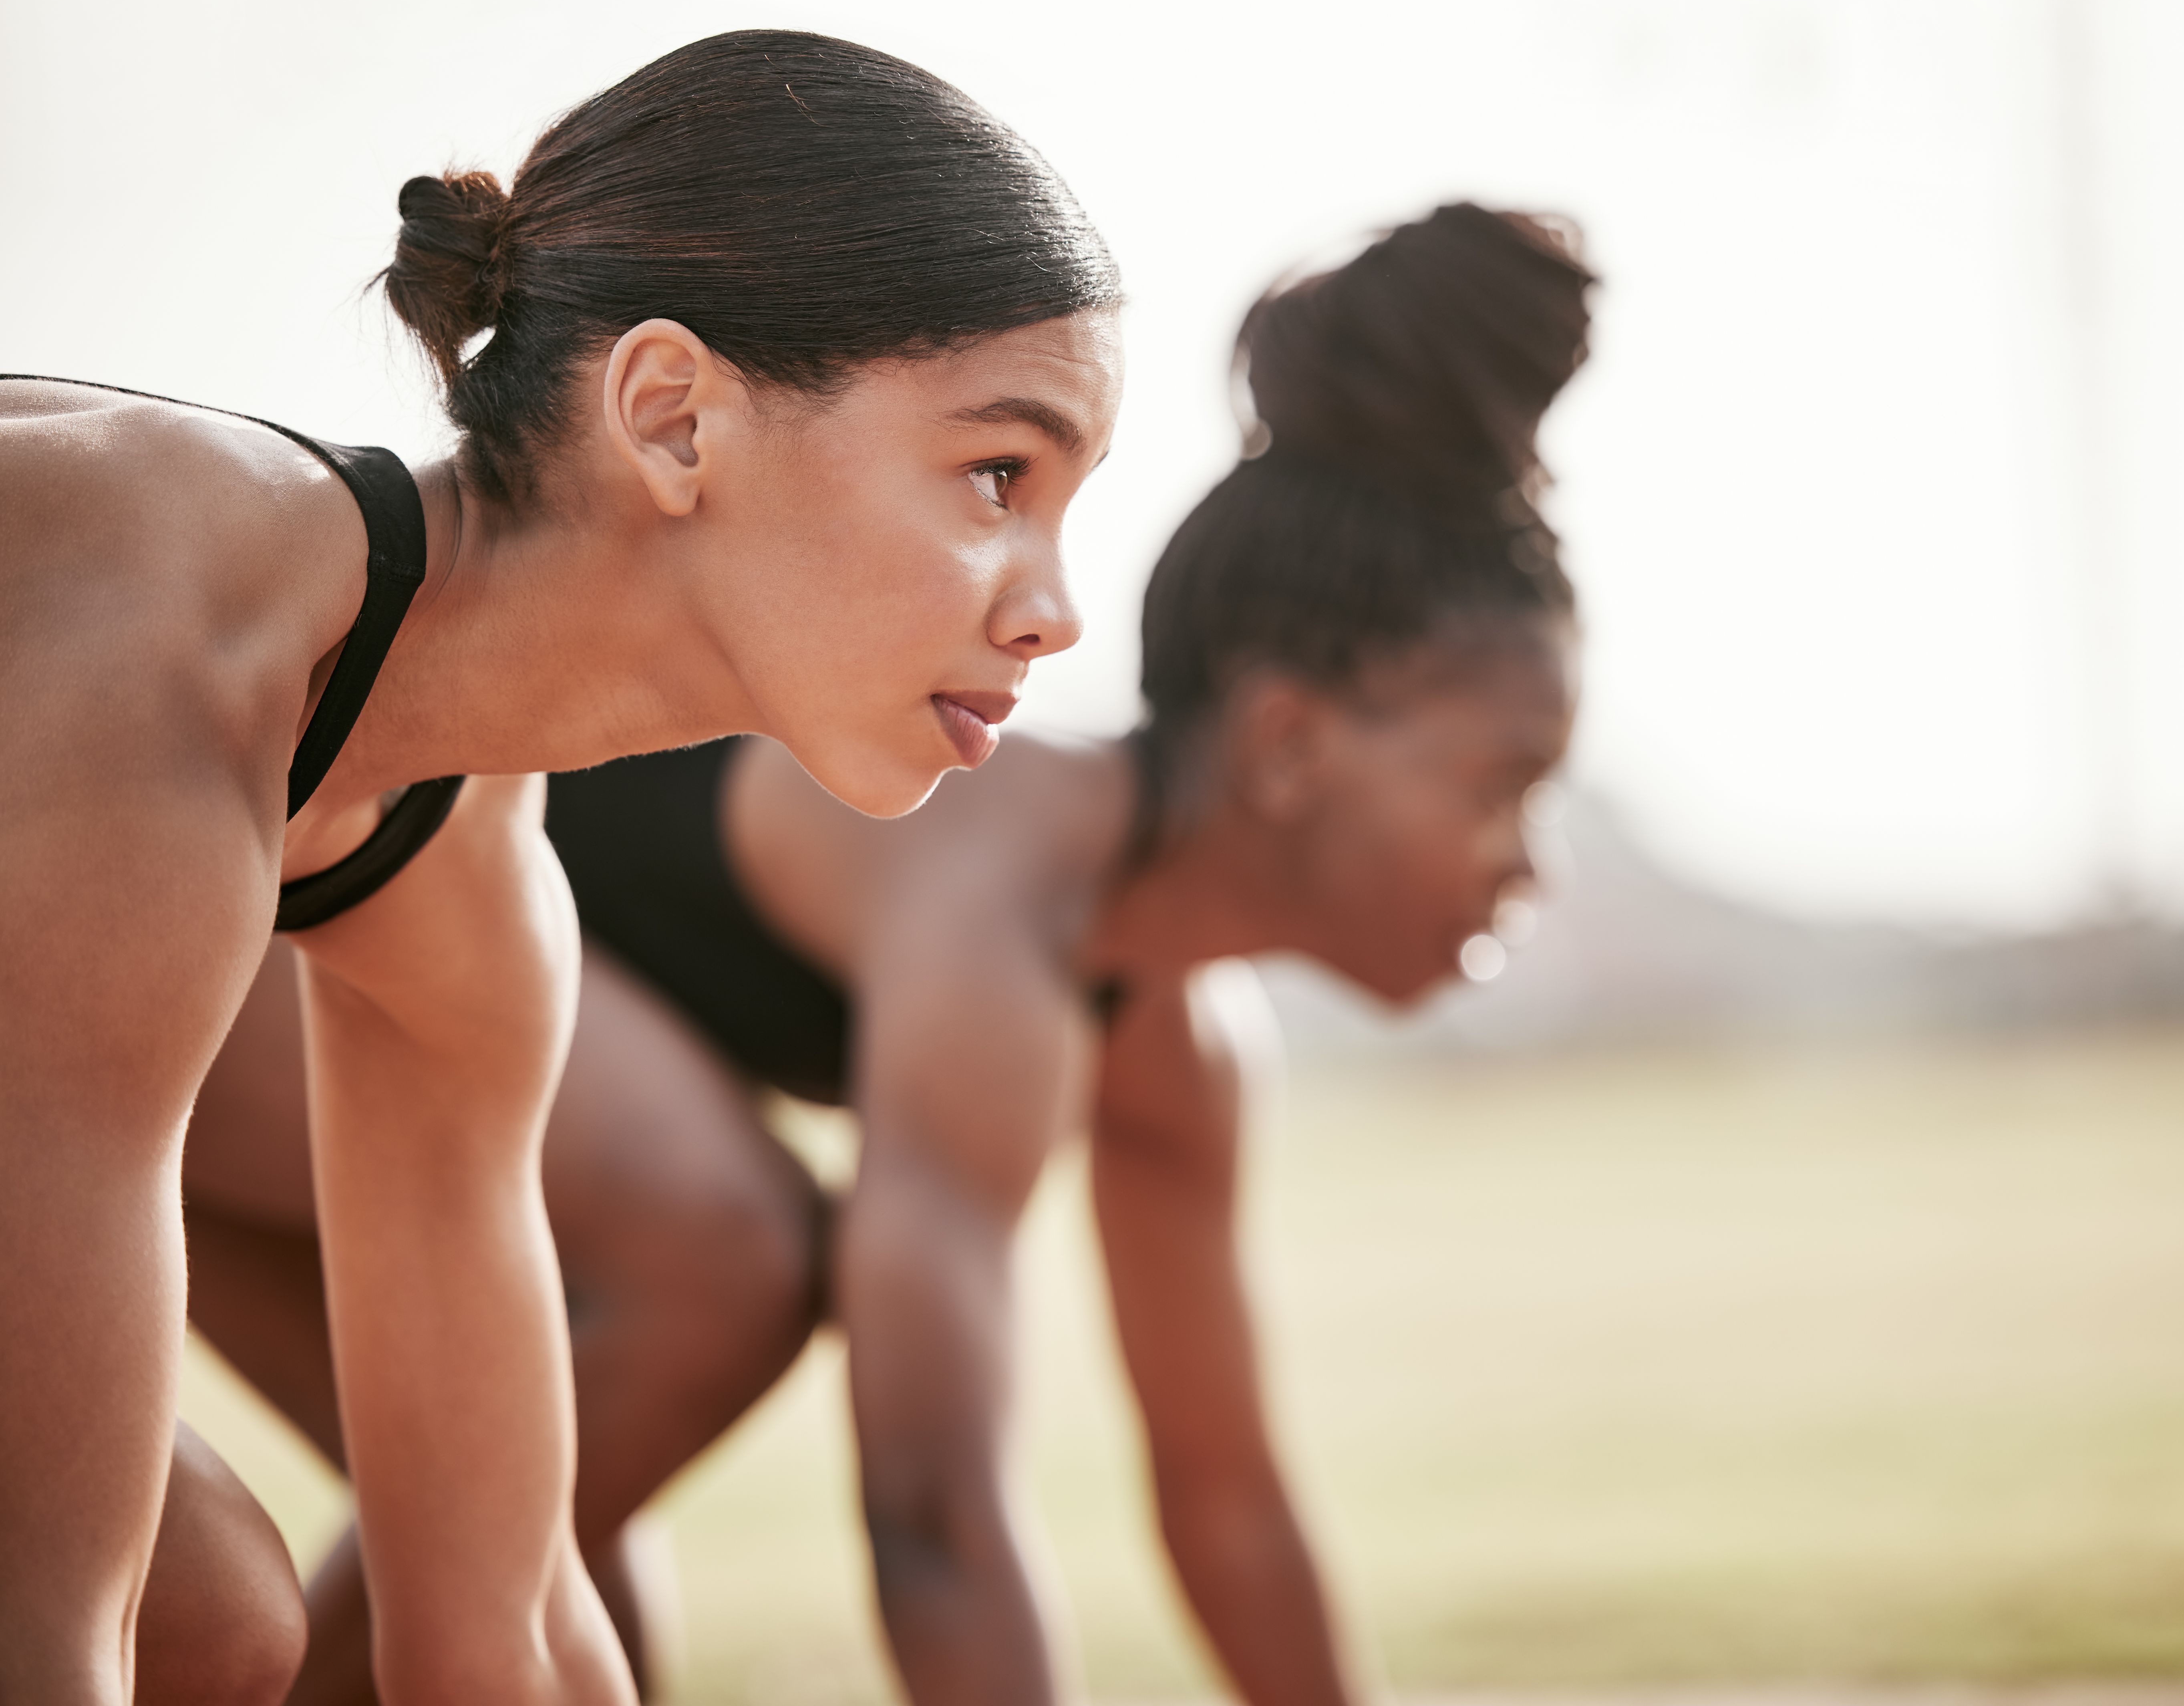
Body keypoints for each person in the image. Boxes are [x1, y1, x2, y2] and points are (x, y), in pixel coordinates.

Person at [183, 202, 1592, 1704]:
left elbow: (1228, 1501)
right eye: (1498, 782)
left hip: (432, 1098)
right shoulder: (997, 876)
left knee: (595, 1630)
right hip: (254, 949)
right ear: (1287, 743)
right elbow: (933, 1516)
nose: (1532, 860)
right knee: (721, 1260)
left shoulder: (1176, 1046)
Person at [0, 28, 1122, 1706]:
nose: (1054, 605)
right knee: (201, 1613)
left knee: (208, 1619)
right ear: (673, 417)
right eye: (994, 474)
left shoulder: (457, 856)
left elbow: (504, 1636)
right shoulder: (157, 637)